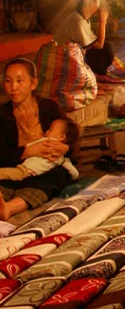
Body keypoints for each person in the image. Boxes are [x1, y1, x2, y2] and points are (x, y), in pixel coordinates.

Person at [0, 58, 74, 220]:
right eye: (8, 81)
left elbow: (70, 134)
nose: (13, 87)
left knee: (55, 176)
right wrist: (28, 151)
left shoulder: (49, 108)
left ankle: (9, 209)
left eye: (19, 81)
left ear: (33, 84)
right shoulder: (3, 114)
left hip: (43, 173)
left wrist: (65, 148)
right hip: (13, 170)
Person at [54, 0, 114, 76]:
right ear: (91, 3)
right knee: (107, 49)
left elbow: (92, 43)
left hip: (68, 56)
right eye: (98, 2)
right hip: (65, 61)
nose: (99, 6)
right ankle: (96, 74)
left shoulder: (79, 17)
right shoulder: (79, 22)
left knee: (103, 47)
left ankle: (93, 72)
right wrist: (102, 21)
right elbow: (99, 45)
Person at [0, 119, 80, 183]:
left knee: (10, 173)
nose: (46, 131)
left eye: (50, 129)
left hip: (29, 171)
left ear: (62, 136)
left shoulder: (46, 141)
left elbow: (29, 145)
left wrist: (66, 148)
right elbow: (72, 170)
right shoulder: (62, 158)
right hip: (28, 169)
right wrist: (75, 176)